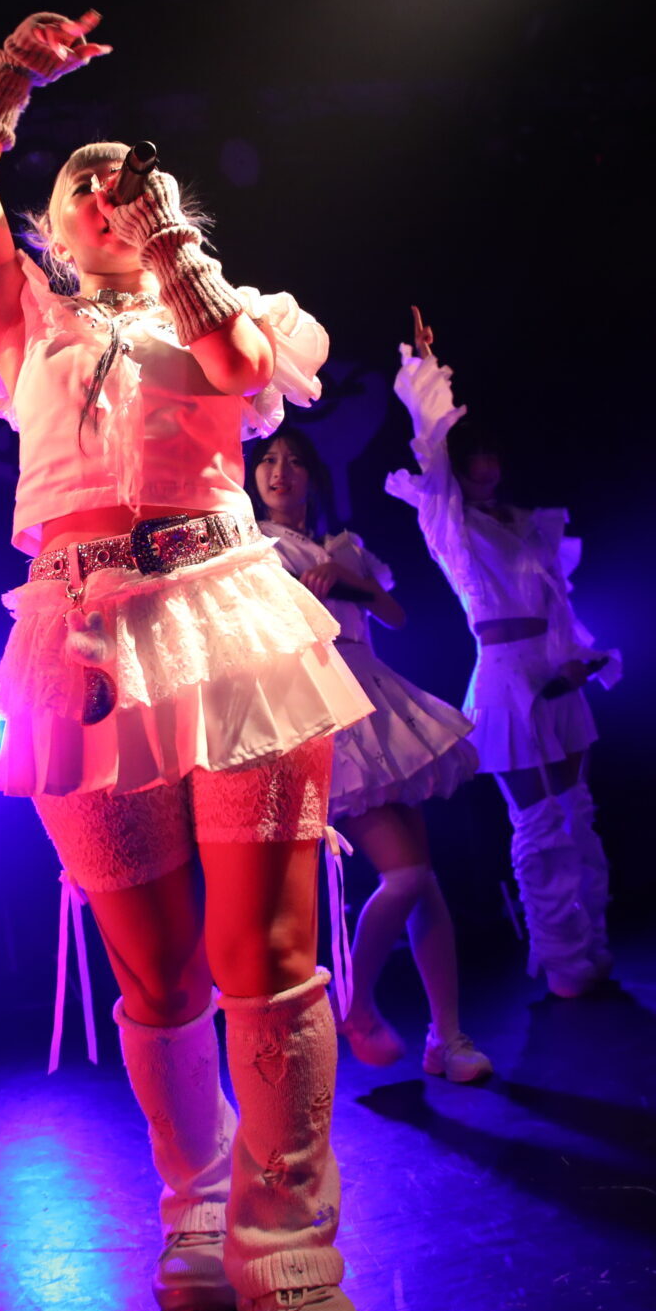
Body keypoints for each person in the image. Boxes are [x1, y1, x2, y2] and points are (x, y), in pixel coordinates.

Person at [0, 11, 375, 1311]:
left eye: (124, 181)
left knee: (268, 950)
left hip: (227, 613)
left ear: (163, 206)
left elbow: (243, 374)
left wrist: (177, 251)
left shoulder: (233, 311)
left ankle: (289, 1245)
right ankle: (195, 1207)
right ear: (53, 225)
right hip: (75, 636)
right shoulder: (23, 318)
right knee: (155, 964)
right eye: (78, 182)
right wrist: (13, 80)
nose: (99, 193)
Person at [386, 309, 621, 1000]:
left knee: (576, 814)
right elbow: (431, 456)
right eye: (474, 457)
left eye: (492, 456)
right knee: (539, 820)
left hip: (556, 671)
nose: (485, 468)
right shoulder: (450, 524)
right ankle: (561, 955)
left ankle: (590, 943)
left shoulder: (527, 523)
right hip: (505, 678)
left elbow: (559, 601)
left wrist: (580, 656)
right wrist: (426, 369)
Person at [248, 426, 490, 1081]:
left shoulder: (345, 545)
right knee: (406, 874)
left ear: (314, 476)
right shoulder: (255, 547)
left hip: (376, 696)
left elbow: (395, 614)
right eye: (268, 460)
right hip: (325, 703)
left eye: (294, 461)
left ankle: (448, 1037)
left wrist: (349, 577)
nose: (280, 471)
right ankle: (354, 1004)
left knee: (425, 880)